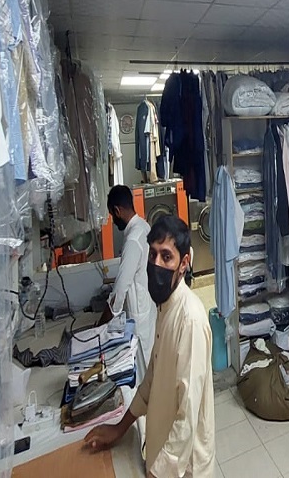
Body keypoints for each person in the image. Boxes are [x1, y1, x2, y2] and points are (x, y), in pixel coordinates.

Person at [84, 216, 215, 477]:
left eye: (166, 257)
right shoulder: (165, 307)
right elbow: (152, 379)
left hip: (182, 467)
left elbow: (187, 415)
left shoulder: (189, 320)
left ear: (183, 264)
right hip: (161, 451)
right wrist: (120, 428)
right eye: (153, 255)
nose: (156, 264)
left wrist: (158, 472)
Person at [100, 185, 156, 363]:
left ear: (117, 211)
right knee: (151, 360)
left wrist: (99, 326)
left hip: (139, 314)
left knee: (143, 366)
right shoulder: (144, 226)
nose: (113, 221)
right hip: (148, 305)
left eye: (112, 215)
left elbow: (119, 291)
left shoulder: (132, 240)